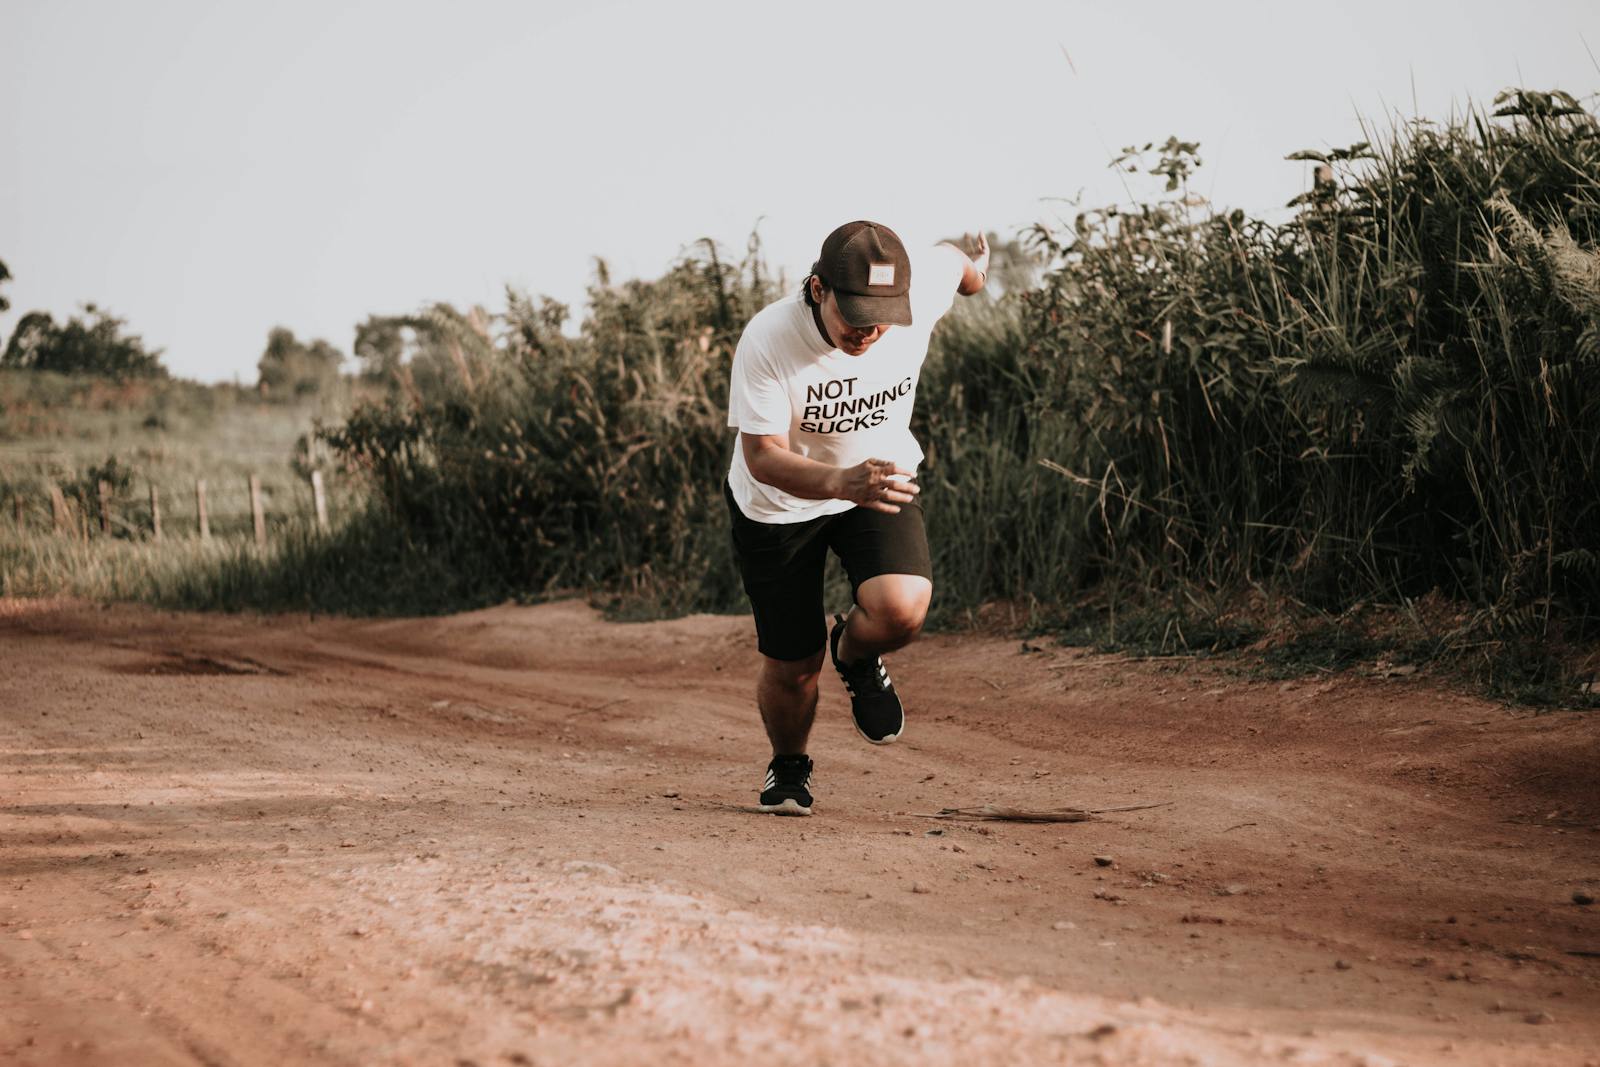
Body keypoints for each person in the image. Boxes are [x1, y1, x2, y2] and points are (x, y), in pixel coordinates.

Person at [724, 219, 989, 815]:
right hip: (780, 505)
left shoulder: (916, 293)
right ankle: (789, 767)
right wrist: (840, 482)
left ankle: (855, 652)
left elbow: (959, 266)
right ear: (819, 290)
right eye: (855, 315)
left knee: (902, 609)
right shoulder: (769, 338)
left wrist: (976, 269)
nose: (869, 331)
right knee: (794, 664)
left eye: (881, 317)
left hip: (875, 481)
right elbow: (763, 457)